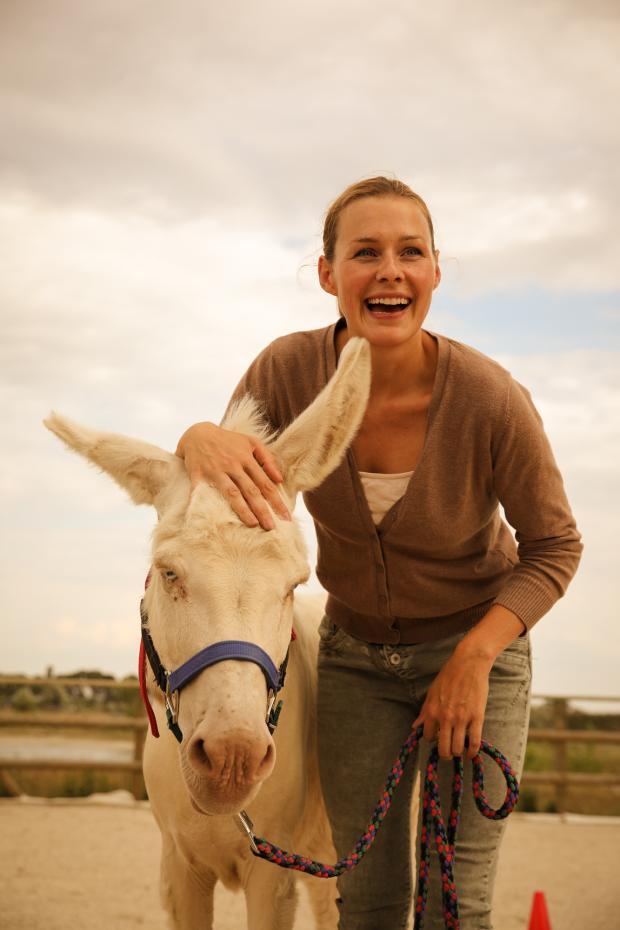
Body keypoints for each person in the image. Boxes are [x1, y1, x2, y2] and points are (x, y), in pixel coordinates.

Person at [175, 177, 582, 930]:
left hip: (478, 655)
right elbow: (224, 502)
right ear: (328, 275)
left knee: (452, 901)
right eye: (365, 252)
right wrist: (197, 436)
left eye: (410, 252)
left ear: (434, 272)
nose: (389, 269)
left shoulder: (492, 399)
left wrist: (475, 658)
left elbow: (555, 546)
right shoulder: (285, 373)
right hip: (356, 662)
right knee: (364, 897)